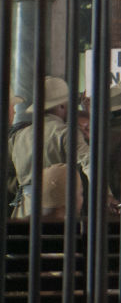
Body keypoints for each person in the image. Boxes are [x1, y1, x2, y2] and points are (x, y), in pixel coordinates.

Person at [7, 77, 97, 220]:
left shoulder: (18, 136)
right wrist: (106, 195)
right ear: (61, 106)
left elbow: (7, 173)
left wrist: (26, 188)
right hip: (56, 209)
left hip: (23, 209)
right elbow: (89, 163)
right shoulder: (66, 133)